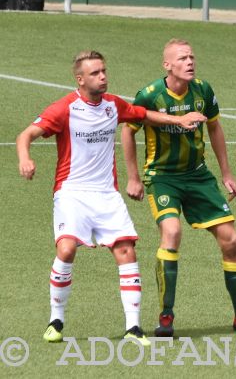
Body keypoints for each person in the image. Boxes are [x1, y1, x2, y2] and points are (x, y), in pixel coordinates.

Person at [16, 50, 206, 345]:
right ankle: (56, 320)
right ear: (80, 79)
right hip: (72, 193)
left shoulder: (112, 105)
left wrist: (178, 121)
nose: (102, 77)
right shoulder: (64, 108)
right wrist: (25, 158)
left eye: (104, 71)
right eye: (95, 73)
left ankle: (133, 328)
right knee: (66, 250)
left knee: (126, 252)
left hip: (106, 194)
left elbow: (143, 115)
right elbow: (25, 134)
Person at [121, 39, 236, 336]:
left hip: (198, 176)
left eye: (192, 57)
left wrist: (227, 173)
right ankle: (165, 318)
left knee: (232, 240)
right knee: (172, 232)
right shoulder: (149, 95)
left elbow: (214, 127)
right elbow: (128, 130)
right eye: (183, 58)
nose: (190, 62)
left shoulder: (203, 90)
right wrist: (133, 177)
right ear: (167, 65)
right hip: (162, 177)